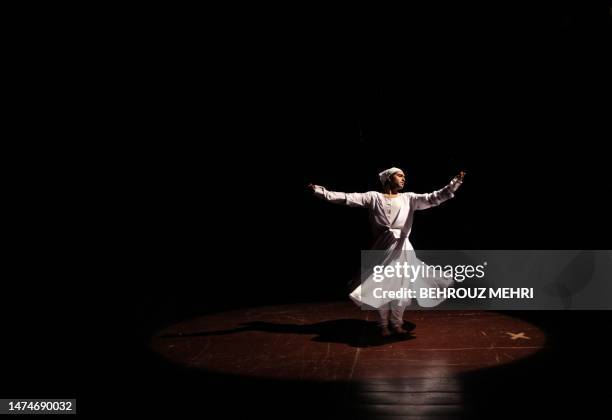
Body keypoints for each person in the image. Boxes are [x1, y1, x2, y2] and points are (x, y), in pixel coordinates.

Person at [308, 168, 465, 337]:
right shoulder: (374, 197)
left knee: (403, 289)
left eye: (405, 176)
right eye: (400, 175)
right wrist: (320, 191)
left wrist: (454, 184)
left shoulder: (409, 198)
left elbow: (434, 198)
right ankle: (383, 324)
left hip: (403, 248)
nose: (404, 179)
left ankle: (397, 323)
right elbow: (347, 198)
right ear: (388, 179)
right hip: (382, 248)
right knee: (381, 287)